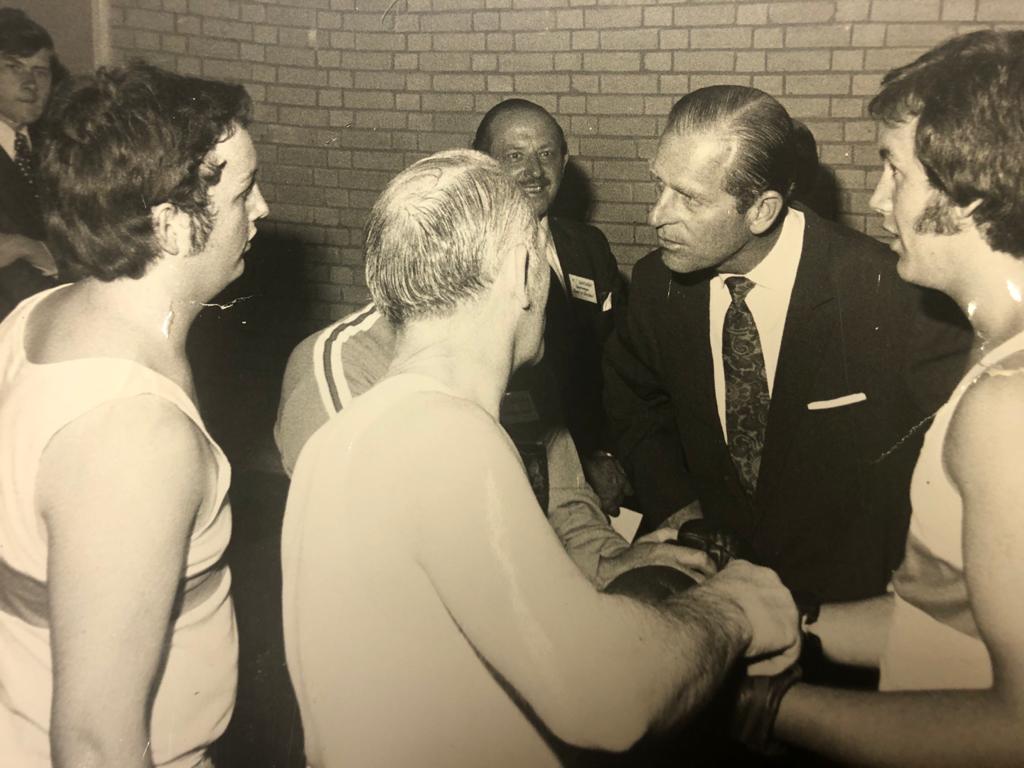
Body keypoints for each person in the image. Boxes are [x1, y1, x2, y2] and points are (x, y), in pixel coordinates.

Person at [281, 149, 800, 767]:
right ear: (523, 271)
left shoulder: (363, 431)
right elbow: (607, 696)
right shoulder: (445, 434)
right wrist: (734, 607)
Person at [749, 30, 1024, 764]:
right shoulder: (996, 351)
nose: (875, 199)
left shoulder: (1008, 406)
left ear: (964, 193)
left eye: (893, 172)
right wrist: (786, 621)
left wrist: (766, 706)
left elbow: (1015, 729)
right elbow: (949, 624)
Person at [603, 85, 971, 607]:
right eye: (659, 185)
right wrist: (678, 503)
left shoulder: (888, 293)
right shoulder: (655, 287)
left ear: (761, 210)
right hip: (718, 599)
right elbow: (632, 398)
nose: (656, 215)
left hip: (852, 608)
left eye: (688, 197)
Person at [0, 63, 268, 767]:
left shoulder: (44, 314)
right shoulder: (133, 436)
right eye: (244, 193)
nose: (262, 210)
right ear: (173, 226)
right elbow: (93, 745)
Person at [473, 98, 629, 516]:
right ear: (483, 165)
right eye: (514, 156)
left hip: (604, 467)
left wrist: (609, 454)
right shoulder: (464, 258)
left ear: (564, 162)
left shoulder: (589, 248)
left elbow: (617, 365)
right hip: (512, 478)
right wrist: (577, 468)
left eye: (546, 155)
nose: (534, 172)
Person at [0, 7, 60, 319]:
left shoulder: (58, 144)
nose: (30, 83)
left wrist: (28, 247)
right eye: (14, 67)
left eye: (40, 71)